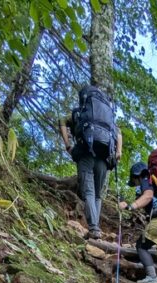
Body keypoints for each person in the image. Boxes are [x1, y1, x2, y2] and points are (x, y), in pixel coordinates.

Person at [61, 85, 122, 239]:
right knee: (97, 195)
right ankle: (96, 227)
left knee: (88, 191)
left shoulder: (80, 113)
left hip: (85, 154)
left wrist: (68, 145)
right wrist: (118, 152)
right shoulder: (108, 118)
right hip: (103, 157)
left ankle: (94, 229)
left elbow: (61, 121)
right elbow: (119, 133)